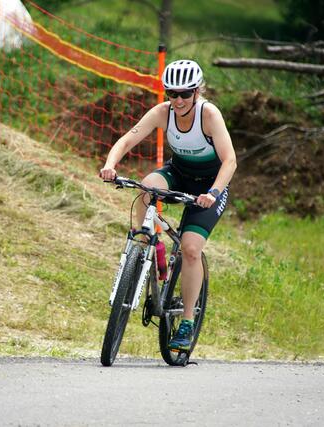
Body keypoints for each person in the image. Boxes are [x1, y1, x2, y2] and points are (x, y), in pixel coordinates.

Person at [99, 59, 237, 351]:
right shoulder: (163, 112)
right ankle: (148, 242)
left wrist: (213, 192)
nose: (178, 100)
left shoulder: (209, 115)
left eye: (185, 93)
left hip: (209, 186)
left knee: (190, 249)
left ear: (197, 92)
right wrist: (110, 165)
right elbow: (127, 140)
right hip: (179, 174)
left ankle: (186, 321)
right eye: (172, 93)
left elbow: (230, 161)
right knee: (146, 187)